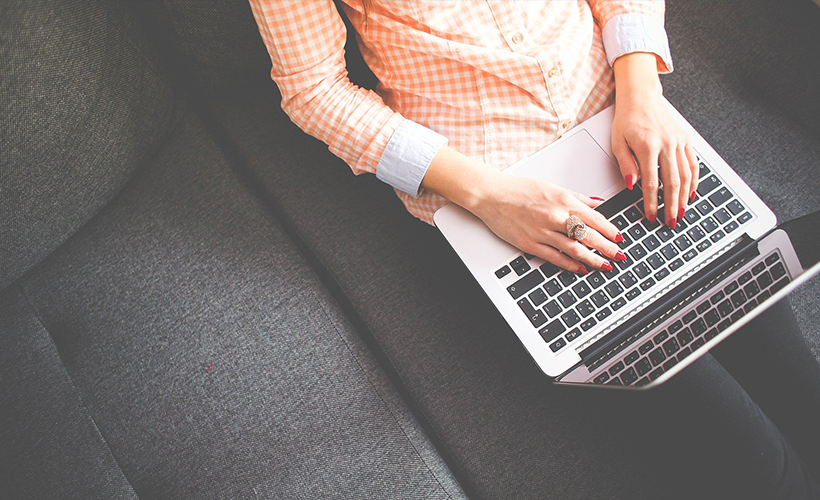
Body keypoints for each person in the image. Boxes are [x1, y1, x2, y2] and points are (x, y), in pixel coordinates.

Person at [249, 1, 820, 497]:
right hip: (498, 192)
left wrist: (642, 93)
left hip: (622, 124)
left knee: (799, 388)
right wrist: (490, 195)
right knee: (758, 466)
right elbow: (314, 90)